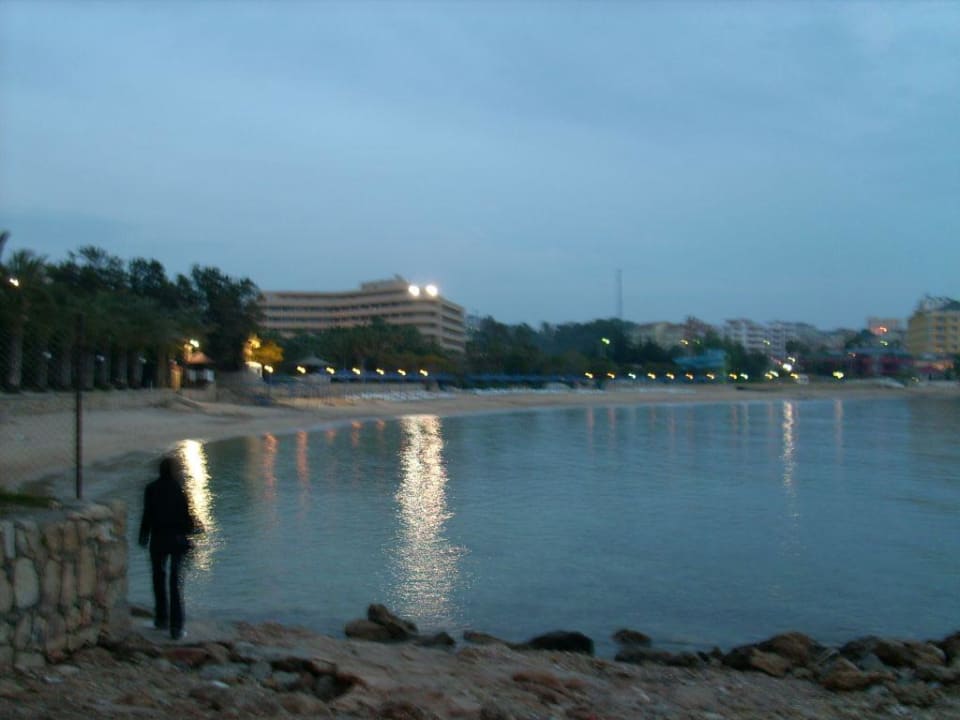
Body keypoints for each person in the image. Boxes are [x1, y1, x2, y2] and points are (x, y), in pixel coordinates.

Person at [138, 455, 199, 640]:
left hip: (157, 540)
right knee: (175, 583)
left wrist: (143, 536)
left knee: (158, 578)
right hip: (177, 541)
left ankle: (161, 618)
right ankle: (177, 628)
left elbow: (146, 515)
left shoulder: (151, 489)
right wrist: (192, 530)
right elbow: (187, 519)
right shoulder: (179, 490)